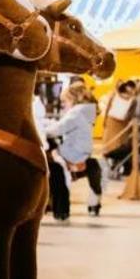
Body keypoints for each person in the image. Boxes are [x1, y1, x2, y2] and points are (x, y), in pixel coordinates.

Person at [45, 82, 104, 218]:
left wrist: (41, 130)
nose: (63, 104)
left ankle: (54, 205)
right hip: (82, 151)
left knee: (49, 152)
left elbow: (56, 130)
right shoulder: (86, 112)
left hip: (72, 153)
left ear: (73, 99)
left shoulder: (76, 114)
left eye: (65, 101)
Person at [101, 80, 137, 178]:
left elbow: (108, 108)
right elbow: (130, 114)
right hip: (119, 124)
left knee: (114, 147)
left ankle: (114, 168)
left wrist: (105, 122)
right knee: (117, 147)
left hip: (116, 123)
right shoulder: (131, 99)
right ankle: (115, 168)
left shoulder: (116, 96)